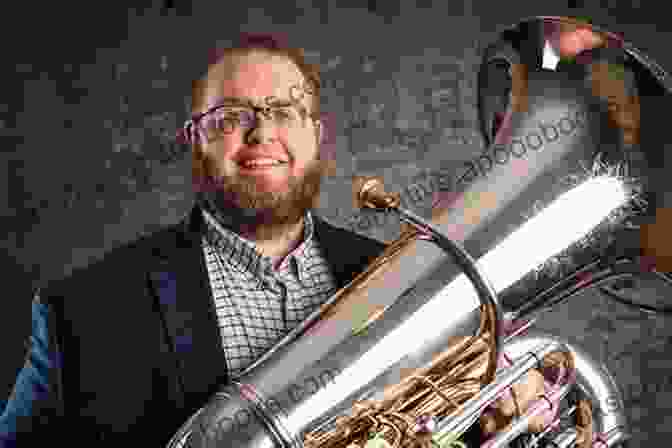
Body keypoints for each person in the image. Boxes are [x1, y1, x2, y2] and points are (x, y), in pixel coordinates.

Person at [0, 33, 549, 447]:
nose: (261, 132)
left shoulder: (415, 289)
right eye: (230, 117)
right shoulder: (81, 314)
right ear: (194, 143)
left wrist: (511, 425)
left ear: (318, 135)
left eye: (285, 111)